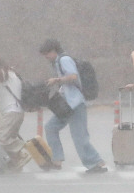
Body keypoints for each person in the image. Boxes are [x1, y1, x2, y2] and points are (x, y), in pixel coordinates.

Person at [39, 39, 107, 173]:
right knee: (50, 128)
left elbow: (73, 77)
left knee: (79, 137)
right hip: (67, 104)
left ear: (54, 50)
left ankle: (95, 163)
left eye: (47, 53)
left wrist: (57, 80)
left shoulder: (64, 60)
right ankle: (57, 160)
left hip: (75, 104)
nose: (46, 57)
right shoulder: (57, 62)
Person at [0, 55, 30, 172]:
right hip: (14, 113)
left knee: (1, 139)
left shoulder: (5, 73)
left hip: (12, 112)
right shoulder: (10, 75)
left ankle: (22, 150)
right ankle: (16, 163)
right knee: (9, 137)